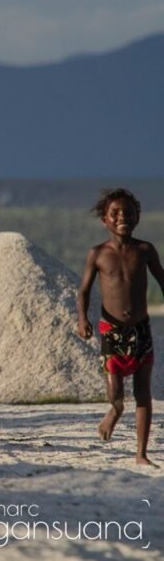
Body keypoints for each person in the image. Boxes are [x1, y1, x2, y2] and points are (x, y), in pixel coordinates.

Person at [76, 188, 163, 466]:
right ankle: (115, 409)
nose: (122, 216)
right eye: (115, 213)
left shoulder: (145, 250)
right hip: (111, 330)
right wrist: (82, 319)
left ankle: (141, 454)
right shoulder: (97, 253)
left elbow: (162, 280)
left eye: (128, 212)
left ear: (138, 217)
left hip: (140, 329)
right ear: (105, 220)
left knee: (143, 393)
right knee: (114, 391)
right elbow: (84, 292)